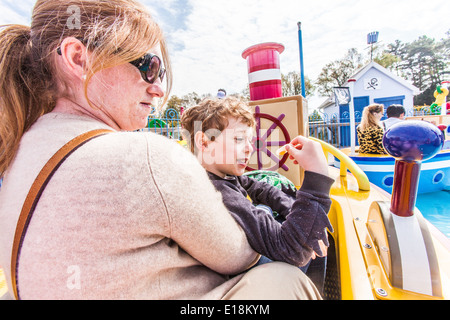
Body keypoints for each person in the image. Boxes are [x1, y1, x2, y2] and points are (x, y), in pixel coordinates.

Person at [0, 0, 322, 300]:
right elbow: (244, 256)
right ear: (78, 58)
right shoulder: (145, 158)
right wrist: (317, 181)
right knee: (283, 277)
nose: (157, 88)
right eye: (148, 67)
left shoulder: (18, 152)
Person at [180, 97, 334, 295]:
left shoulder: (223, 175)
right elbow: (293, 250)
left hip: (257, 260)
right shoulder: (218, 193)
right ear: (204, 142)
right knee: (314, 243)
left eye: (249, 140)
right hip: (245, 278)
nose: (249, 148)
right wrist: (317, 174)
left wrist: (291, 208)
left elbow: (261, 188)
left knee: (310, 230)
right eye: (238, 139)